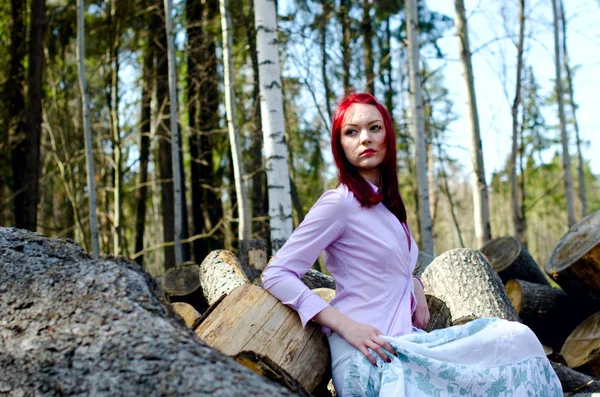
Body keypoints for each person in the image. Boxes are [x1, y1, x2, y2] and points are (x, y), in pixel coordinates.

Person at [262, 93, 561, 396]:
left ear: (388, 137)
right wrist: (345, 326)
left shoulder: (387, 206)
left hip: (406, 342)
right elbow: (277, 273)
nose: (364, 138)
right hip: (368, 353)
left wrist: (414, 281)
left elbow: (389, 264)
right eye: (351, 132)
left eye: (374, 128)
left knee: (515, 339)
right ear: (340, 145)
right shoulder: (338, 204)